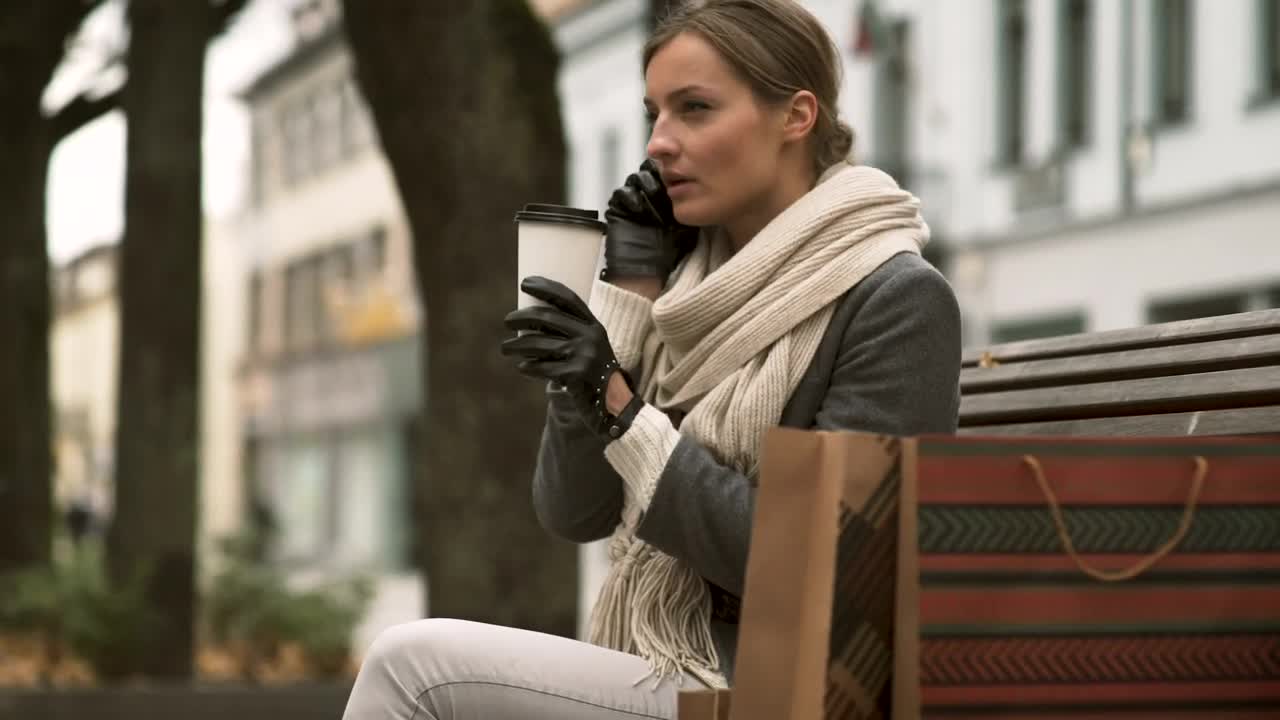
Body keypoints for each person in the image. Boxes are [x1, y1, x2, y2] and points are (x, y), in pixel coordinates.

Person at [341, 1, 960, 718]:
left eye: (695, 109)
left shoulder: (893, 298)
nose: (659, 143)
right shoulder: (685, 289)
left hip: (790, 687)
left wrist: (618, 405)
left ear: (796, 117)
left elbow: (832, 572)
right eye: (654, 114)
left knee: (414, 666)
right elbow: (574, 511)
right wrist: (628, 297)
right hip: (674, 663)